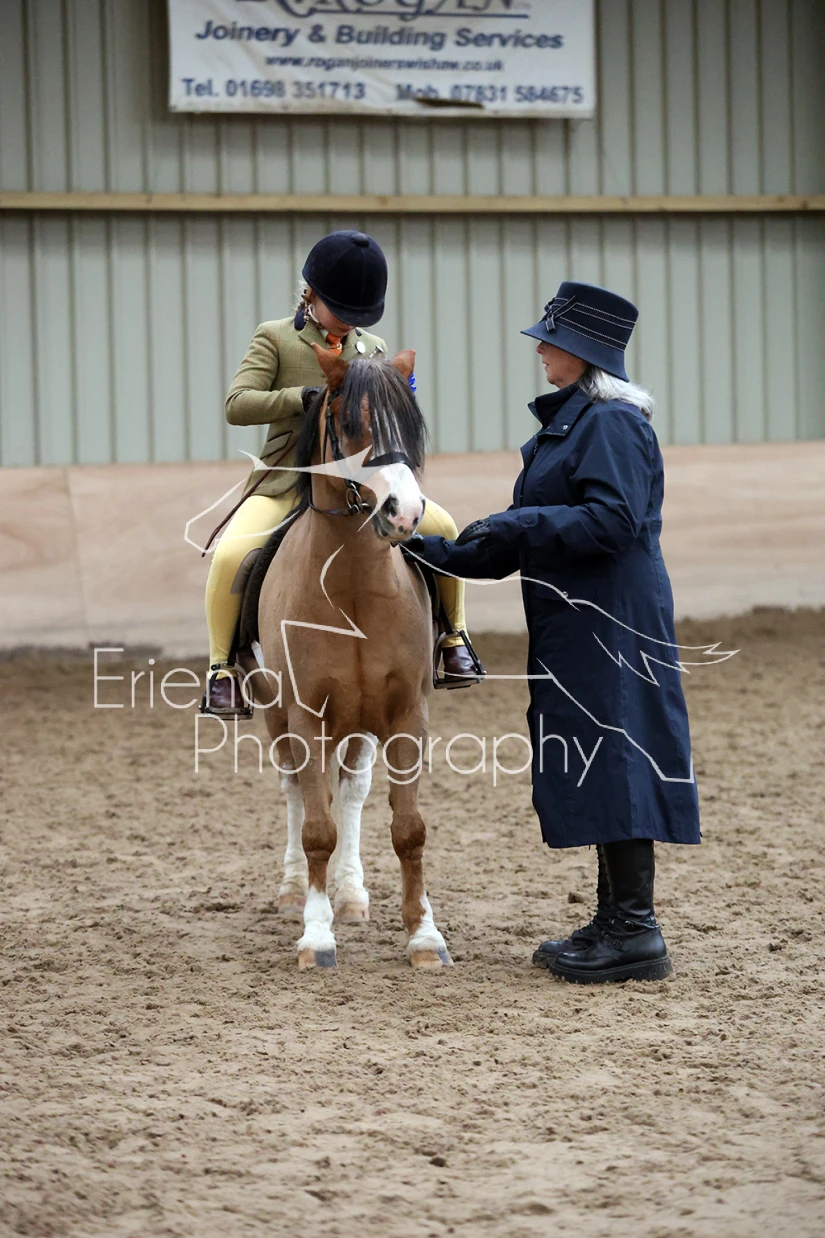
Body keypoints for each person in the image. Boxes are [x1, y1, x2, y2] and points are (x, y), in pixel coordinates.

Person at [412, 281, 701, 984]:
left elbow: (612, 521)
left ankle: (636, 931)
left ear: (583, 352)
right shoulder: (575, 424)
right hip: (579, 619)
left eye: (551, 340)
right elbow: (523, 539)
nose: (540, 349)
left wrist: (516, 523)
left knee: (617, 756)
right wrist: (426, 552)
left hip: (612, 621)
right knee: (599, 757)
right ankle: (614, 920)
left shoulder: (612, 425)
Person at [202, 230, 480, 715]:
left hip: (362, 484)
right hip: (286, 481)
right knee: (230, 555)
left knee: (444, 527)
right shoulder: (275, 337)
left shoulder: (373, 348)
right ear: (310, 293)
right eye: (341, 309)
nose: (351, 321)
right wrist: (301, 398)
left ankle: (453, 638)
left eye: (360, 314)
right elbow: (237, 403)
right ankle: (221, 668)